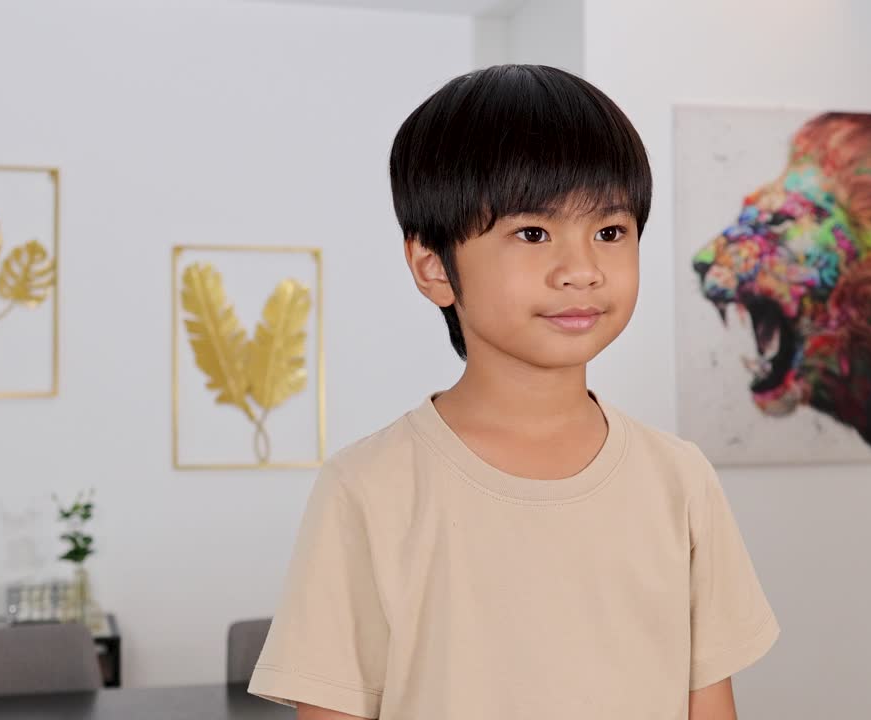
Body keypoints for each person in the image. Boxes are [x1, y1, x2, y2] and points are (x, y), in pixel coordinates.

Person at [248, 64, 778, 720]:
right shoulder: (368, 488)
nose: (581, 270)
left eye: (609, 232)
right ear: (433, 267)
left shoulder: (680, 481)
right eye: (533, 233)